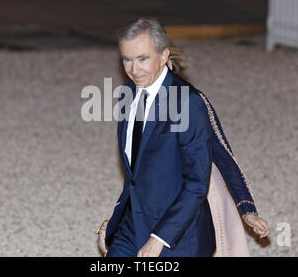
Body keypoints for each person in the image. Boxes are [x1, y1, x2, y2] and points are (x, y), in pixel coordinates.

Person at [96, 17, 270, 257]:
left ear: (164, 55)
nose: (134, 70)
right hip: (133, 225)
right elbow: (136, 171)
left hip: (180, 236)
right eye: (127, 59)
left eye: (142, 59)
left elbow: (206, 172)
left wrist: (246, 208)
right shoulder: (127, 94)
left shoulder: (188, 103)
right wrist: (117, 215)